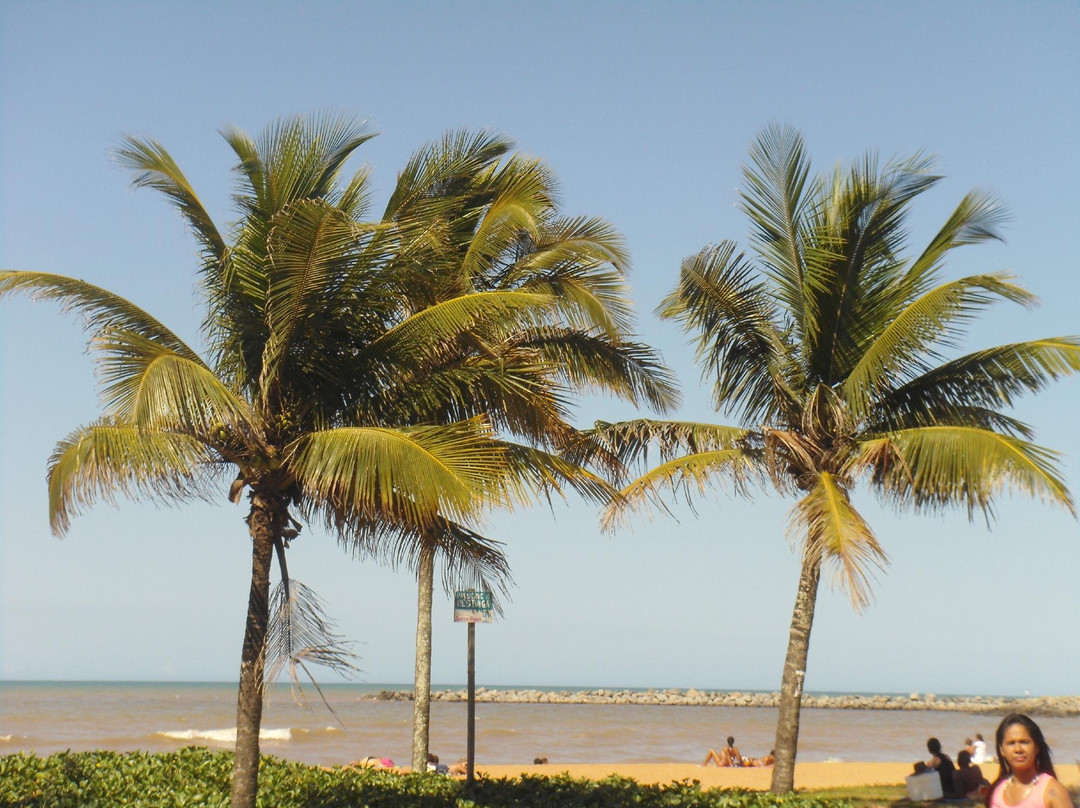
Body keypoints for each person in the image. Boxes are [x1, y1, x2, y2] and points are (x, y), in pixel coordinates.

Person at [987, 713, 1071, 808]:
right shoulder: (998, 793)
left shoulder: (1052, 791)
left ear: (1037, 746)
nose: (1018, 749)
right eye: (1011, 743)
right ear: (1002, 750)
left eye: (1024, 742)